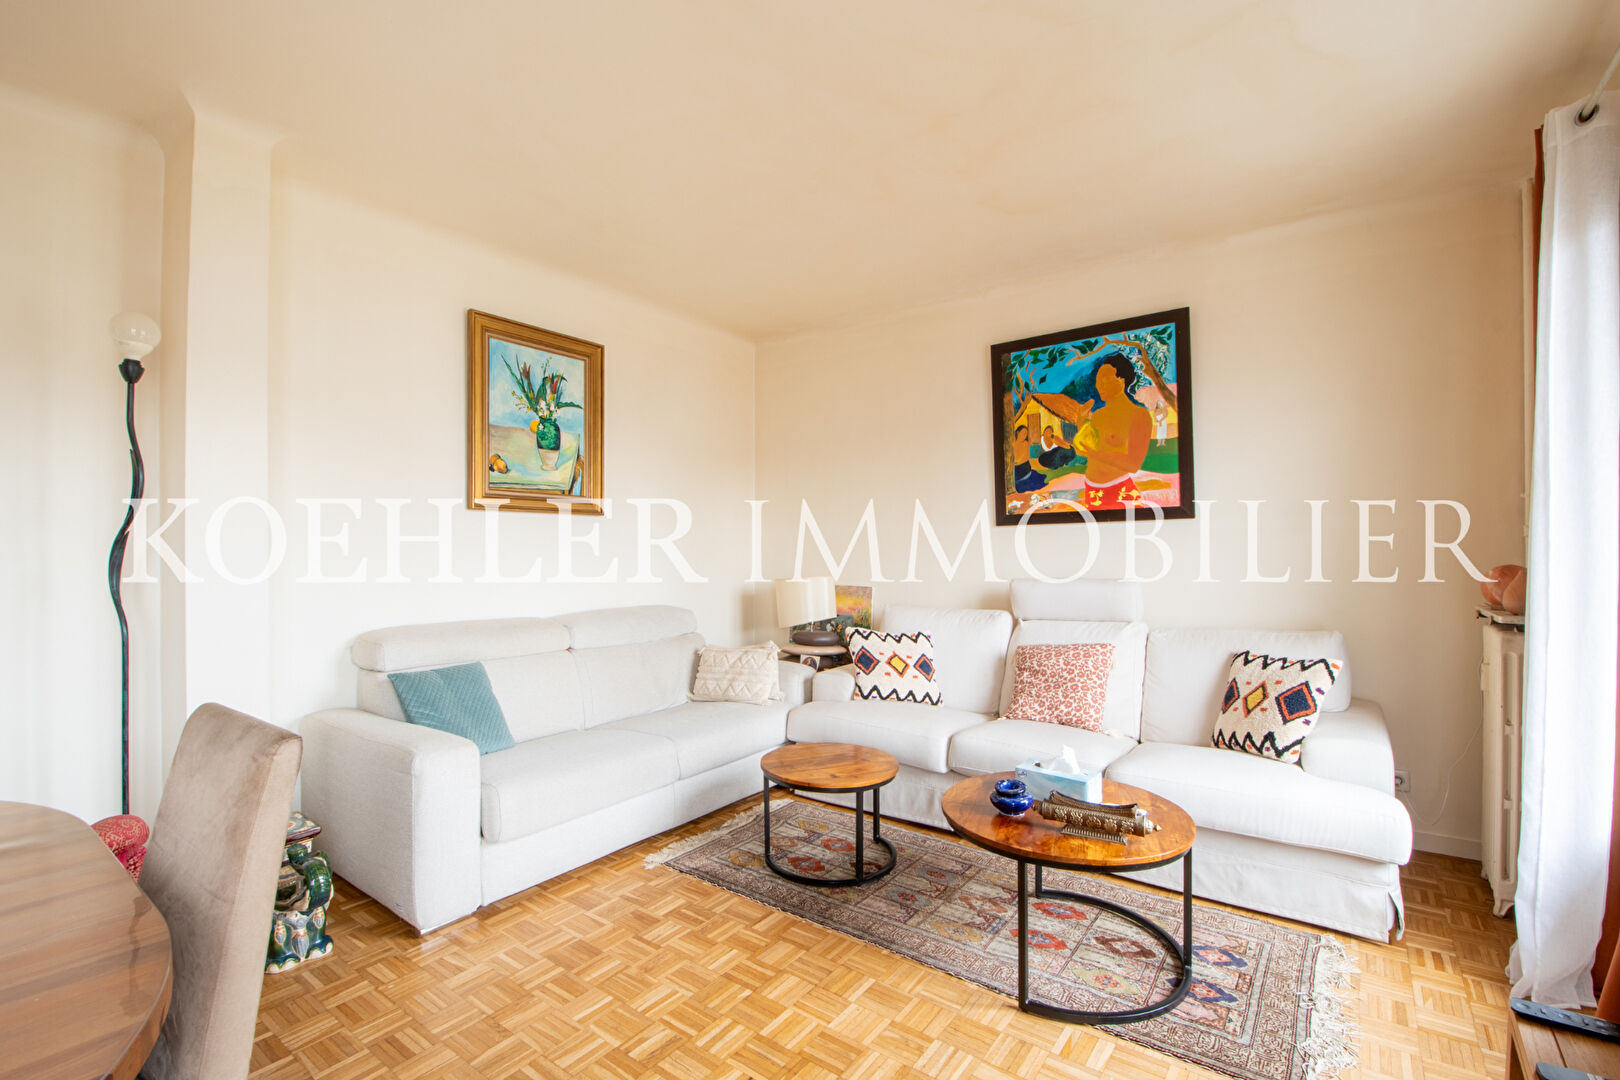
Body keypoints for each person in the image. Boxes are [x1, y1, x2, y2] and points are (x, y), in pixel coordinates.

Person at [1075, 356, 1152, 509]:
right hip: (1092, 490)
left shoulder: (1139, 415)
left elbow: (1133, 464)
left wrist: (1095, 454)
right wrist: (1080, 422)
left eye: (1106, 380)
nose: (1100, 386)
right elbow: (1089, 446)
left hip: (1119, 491)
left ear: (1122, 380)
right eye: (1098, 381)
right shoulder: (1097, 415)